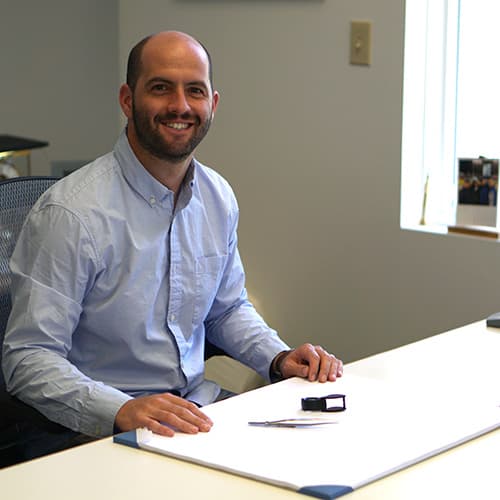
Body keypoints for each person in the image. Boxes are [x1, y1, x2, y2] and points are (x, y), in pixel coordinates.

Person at [2, 31, 343, 442]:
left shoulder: (217, 197)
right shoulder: (71, 214)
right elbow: (27, 358)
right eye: (161, 88)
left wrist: (278, 358)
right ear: (128, 99)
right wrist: (122, 409)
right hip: (97, 430)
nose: (180, 106)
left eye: (194, 91)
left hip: (195, 410)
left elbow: (226, 309)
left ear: (212, 104)